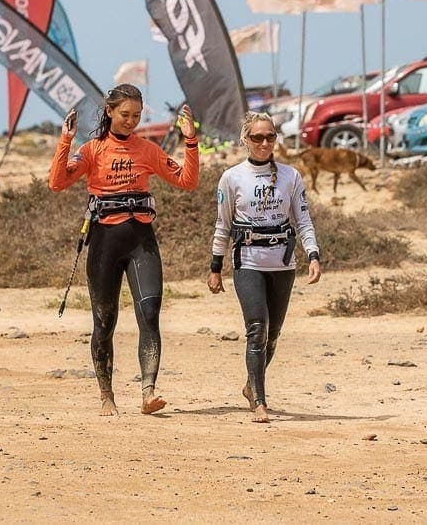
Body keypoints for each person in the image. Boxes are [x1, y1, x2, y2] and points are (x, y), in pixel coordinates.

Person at [49, 84, 199, 416]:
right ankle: (107, 396)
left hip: (140, 241)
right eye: (125, 115)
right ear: (110, 112)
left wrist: (191, 141)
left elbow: (187, 181)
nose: (131, 121)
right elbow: (57, 182)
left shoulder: (148, 150)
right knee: (104, 322)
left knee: (149, 315)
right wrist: (65, 141)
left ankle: (148, 392)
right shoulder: (92, 150)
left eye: (137, 115)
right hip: (104, 242)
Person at [207, 112, 321, 423]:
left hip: (282, 264)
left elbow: (303, 219)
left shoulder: (290, 176)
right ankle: (260, 400)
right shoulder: (232, 178)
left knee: (273, 334)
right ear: (245, 140)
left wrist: (313, 254)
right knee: (256, 329)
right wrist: (215, 267)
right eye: (257, 137)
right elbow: (222, 225)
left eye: (270, 137)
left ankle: (250, 385)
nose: (264, 143)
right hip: (248, 262)